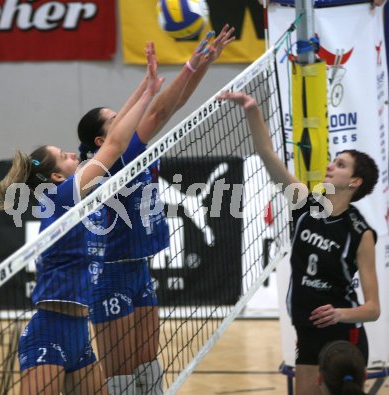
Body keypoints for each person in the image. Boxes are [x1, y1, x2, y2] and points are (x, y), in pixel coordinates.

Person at [0, 42, 164, 395]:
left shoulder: (72, 198)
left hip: (79, 334)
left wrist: (146, 87)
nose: (73, 154)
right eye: (64, 155)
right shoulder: (64, 195)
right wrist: (146, 92)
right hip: (48, 333)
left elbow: (113, 137)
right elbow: (113, 144)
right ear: (56, 176)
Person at [77, 25, 236, 395]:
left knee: (149, 367)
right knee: (122, 375)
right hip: (111, 274)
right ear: (102, 140)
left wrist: (200, 67)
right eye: (116, 120)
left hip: (138, 267)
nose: (127, 122)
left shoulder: (132, 151)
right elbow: (163, 108)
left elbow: (169, 105)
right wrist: (193, 66)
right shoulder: (117, 158)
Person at [216, 91, 380, 395]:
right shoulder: (304, 205)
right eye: (333, 161)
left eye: (341, 165)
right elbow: (266, 153)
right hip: (307, 330)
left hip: (344, 335)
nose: (332, 166)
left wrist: (340, 313)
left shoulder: (361, 232)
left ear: (354, 182)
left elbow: (372, 309)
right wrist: (252, 109)